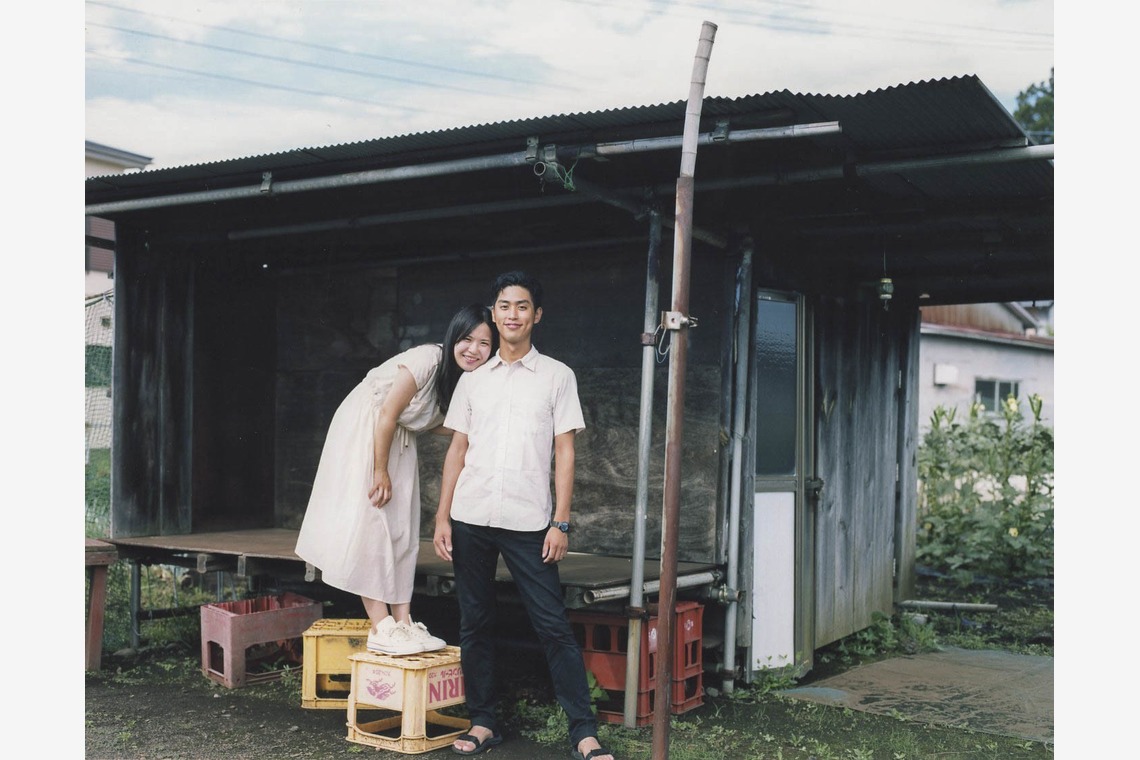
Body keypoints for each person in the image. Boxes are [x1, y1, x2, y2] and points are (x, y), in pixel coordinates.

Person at [434, 272, 614, 760]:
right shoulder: (474, 380)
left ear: (536, 315)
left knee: (552, 624)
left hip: (530, 524)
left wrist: (561, 521)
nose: (512, 314)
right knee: (474, 622)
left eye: (522, 306)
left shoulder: (557, 376)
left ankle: (584, 732)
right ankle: (484, 721)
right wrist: (442, 517)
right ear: (494, 314)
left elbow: (565, 452)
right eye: (504, 306)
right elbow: (457, 450)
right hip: (471, 516)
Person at [295, 304, 497, 655]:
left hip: (400, 437)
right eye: (467, 339)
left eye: (484, 343)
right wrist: (379, 470)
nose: (474, 350)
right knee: (374, 519)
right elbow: (388, 414)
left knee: (403, 523)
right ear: (453, 338)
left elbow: (429, 421)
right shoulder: (427, 359)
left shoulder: (466, 380)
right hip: (369, 427)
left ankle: (403, 623)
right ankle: (381, 626)